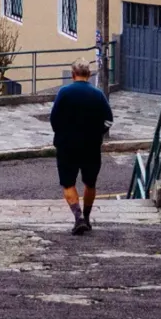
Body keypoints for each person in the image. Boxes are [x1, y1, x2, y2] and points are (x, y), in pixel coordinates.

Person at [48, 62, 113, 234]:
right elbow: (108, 120)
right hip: (91, 145)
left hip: (67, 145)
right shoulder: (98, 95)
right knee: (90, 183)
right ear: (89, 75)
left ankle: (78, 218)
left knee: (68, 183)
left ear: (72, 74)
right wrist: (98, 132)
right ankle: (87, 216)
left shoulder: (64, 92)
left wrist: (61, 133)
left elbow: (54, 118)